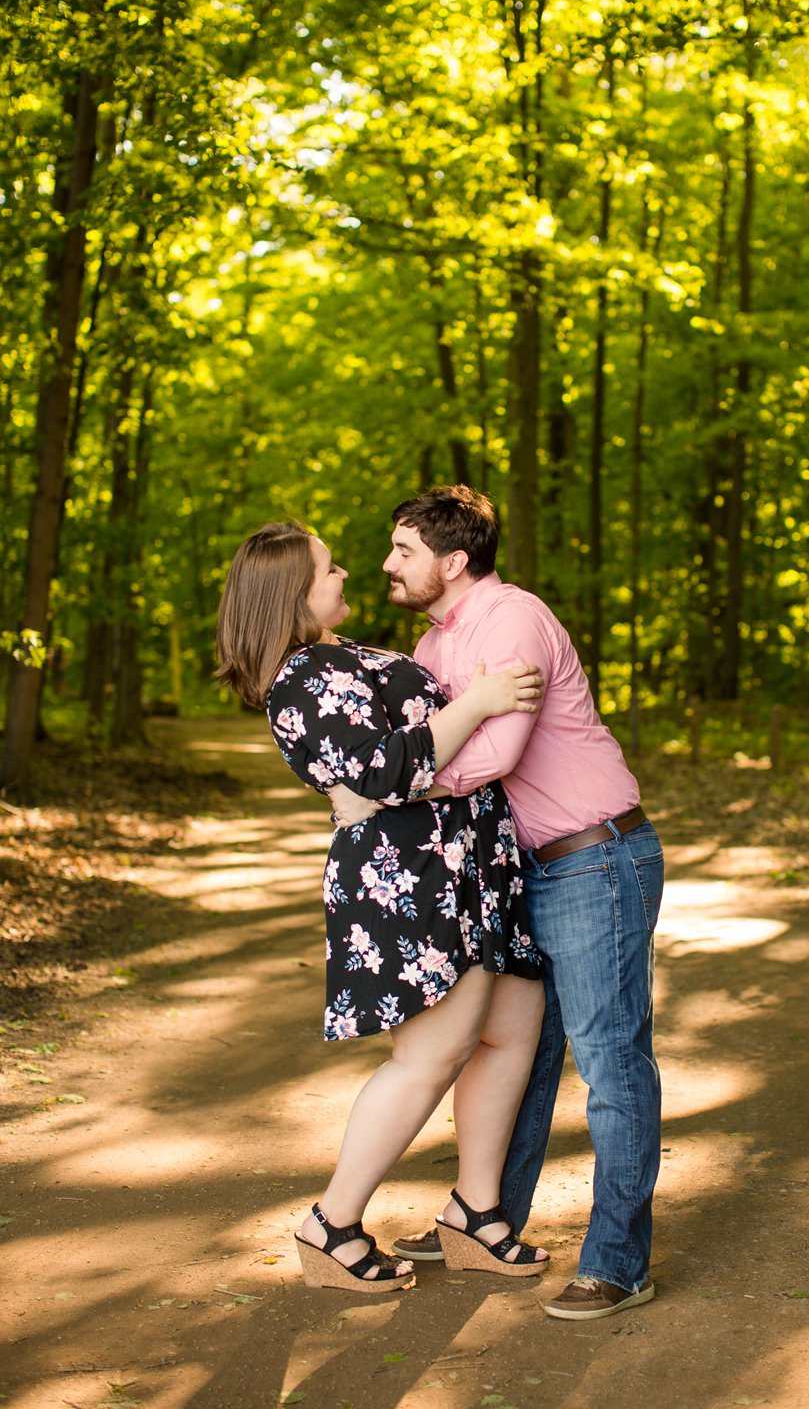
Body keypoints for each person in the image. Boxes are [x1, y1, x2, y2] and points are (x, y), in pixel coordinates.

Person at [332, 485, 663, 1321]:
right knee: (514, 1052)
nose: (385, 564)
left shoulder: (512, 619)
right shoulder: (433, 640)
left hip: (592, 857)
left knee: (611, 1060)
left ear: (451, 560)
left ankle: (617, 1263)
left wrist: (382, 795)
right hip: (516, 871)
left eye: (402, 550)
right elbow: (426, 742)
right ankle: (484, 1224)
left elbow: (496, 749)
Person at [215, 520, 549, 1294]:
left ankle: (476, 1212)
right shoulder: (302, 675)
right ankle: (331, 1223)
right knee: (430, 1053)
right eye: (328, 569)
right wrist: (486, 700)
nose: (347, 576)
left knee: (510, 1035)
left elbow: (383, 778)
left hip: (472, 865)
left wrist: (403, 781)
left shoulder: (341, 657)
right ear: (291, 594)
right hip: (412, 879)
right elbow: (387, 770)